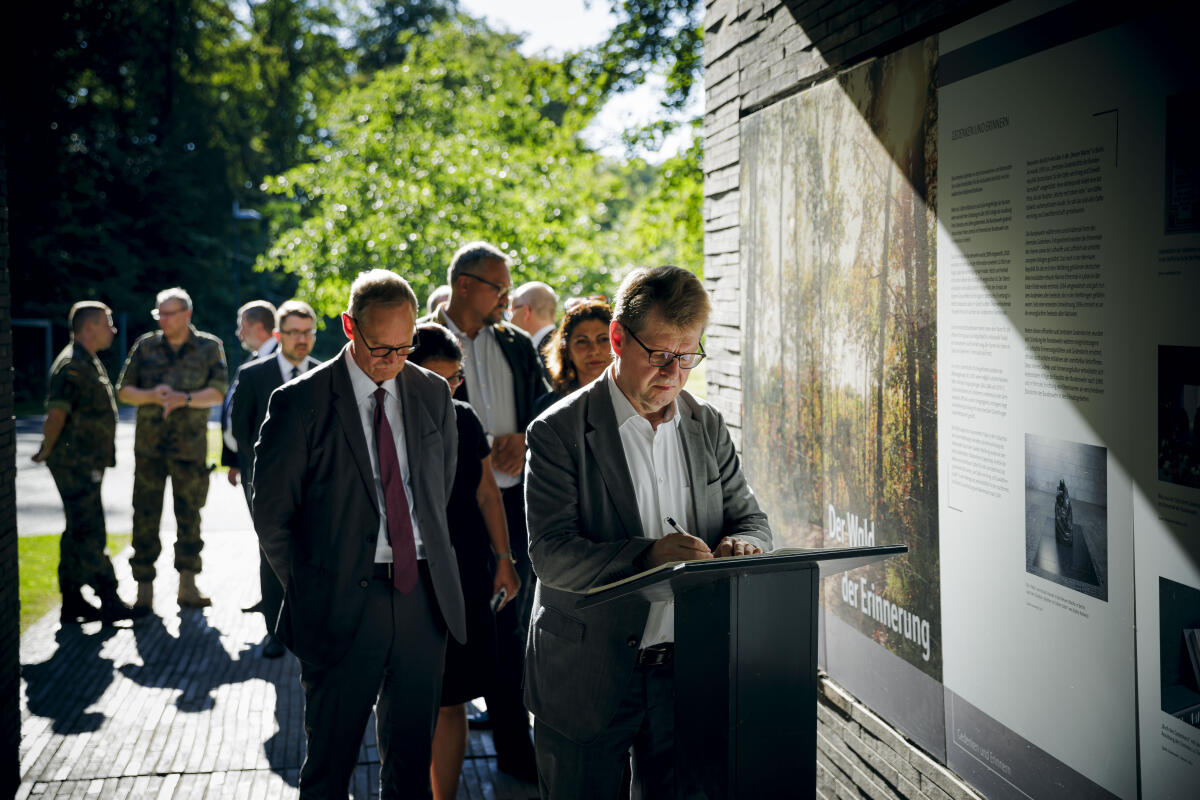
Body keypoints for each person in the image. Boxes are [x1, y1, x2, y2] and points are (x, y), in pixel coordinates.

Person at [524, 265, 773, 797]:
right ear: (618, 337)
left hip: (687, 674)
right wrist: (647, 556)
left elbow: (752, 519)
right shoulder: (556, 431)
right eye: (660, 355)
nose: (674, 374)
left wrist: (745, 544)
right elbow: (551, 556)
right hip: (585, 676)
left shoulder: (705, 423)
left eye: (688, 357)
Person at [252, 270, 466, 798]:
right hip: (340, 600)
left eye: (405, 346)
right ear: (349, 326)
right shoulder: (299, 401)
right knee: (330, 764)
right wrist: (312, 585)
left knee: (410, 767)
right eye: (380, 348)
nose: (393, 361)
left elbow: (440, 488)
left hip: (423, 600)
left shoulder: (433, 392)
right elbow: (272, 514)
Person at [420, 240, 547, 782]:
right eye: (500, 286)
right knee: (450, 634)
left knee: (510, 630)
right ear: (465, 285)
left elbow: (545, 405)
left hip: (513, 504)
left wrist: (525, 437)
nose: (508, 297)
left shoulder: (517, 344)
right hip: (446, 517)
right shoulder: (422, 340)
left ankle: (516, 757)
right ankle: (434, 746)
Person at [408, 322, 522, 800]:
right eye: (437, 377)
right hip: (406, 575)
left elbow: (486, 492)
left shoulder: (465, 417)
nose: (449, 388)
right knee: (403, 701)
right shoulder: (383, 421)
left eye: (455, 378)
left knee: (452, 697)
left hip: (465, 571)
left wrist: (504, 558)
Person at [33, 301, 149, 624]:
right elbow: (56, 414)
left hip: (84, 462)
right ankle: (108, 597)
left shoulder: (87, 361)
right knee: (91, 530)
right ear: (89, 327)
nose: (112, 330)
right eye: (107, 324)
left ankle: (72, 601)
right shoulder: (72, 365)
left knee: (77, 530)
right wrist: (45, 448)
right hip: (75, 465)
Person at [117, 288, 227, 610]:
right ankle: (144, 592)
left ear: (186, 314)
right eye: (159, 314)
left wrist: (184, 399)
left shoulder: (210, 348)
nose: (163, 320)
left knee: (189, 516)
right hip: (149, 449)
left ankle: (187, 587)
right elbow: (124, 391)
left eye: (169, 314)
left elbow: (219, 393)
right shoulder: (145, 346)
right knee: (145, 517)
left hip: (189, 450)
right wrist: (154, 395)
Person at [229, 299, 321, 659]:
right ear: (279, 334)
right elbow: (241, 428)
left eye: (307, 332)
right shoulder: (254, 375)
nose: (301, 339)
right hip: (267, 487)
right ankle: (275, 632)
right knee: (272, 556)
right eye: (294, 332)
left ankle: (312, 628)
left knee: (314, 554)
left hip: (315, 487)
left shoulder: (324, 372)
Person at [221, 300, 278, 494]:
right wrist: (234, 460)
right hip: (247, 460)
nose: (239, 333)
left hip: (268, 464)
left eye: (242, 327)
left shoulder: (280, 362)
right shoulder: (253, 360)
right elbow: (238, 412)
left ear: (259, 327)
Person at [531, 297, 612, 418]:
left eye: (603, 339)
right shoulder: (547, 407)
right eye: (582, 342)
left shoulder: (636, 401)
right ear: (566, 350)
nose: (594, 350)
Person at [509, 281, 558, 368]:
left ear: (526, 312)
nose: (510, 320)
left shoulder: (543, 357)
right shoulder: (565, 344)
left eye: (511, 312)